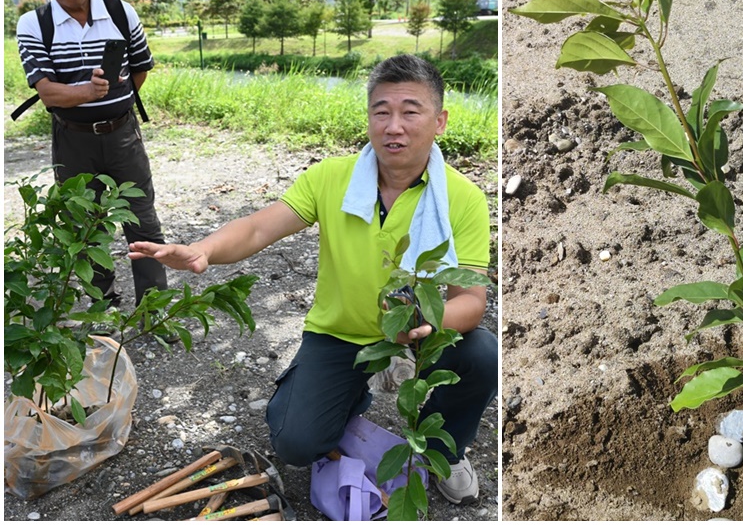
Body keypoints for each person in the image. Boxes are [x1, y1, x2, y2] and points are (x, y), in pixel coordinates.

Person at [128, 54, 496, 505]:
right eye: (381, 111)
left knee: (481, 352)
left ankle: (444, 451)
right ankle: (348, 399)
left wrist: (425, 322)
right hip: (340, 334)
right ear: (368, 119)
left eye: (410, 111)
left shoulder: (463, 198)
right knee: (296, 443)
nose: (393, 126)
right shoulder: (332, 178)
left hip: (417, 333)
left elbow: (471, 300)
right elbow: (261, 226)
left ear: (439, 121)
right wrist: (205, 249)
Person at [15, 0, 166, 307]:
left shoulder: (119, 11)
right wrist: (89, 93)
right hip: (73, 138)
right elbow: (47, 91)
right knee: (84, 224)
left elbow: (141, 70)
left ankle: (152, 306)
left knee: (142, 218)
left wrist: (115, 102)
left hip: (123, 135)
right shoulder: (34, 25)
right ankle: (104, 305)